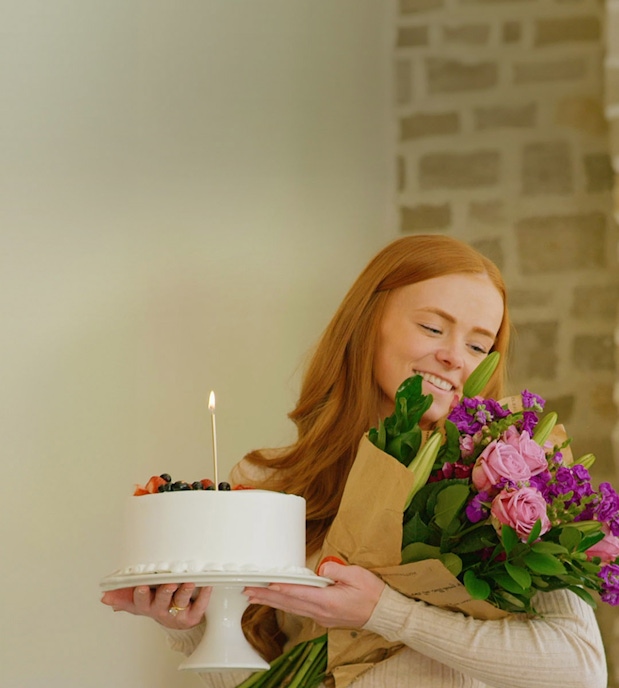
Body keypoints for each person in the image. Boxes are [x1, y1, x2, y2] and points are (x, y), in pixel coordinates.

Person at [101, 234, 608, 687]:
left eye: (480, 344)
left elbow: (580, 668)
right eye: (433, 328)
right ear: (368, 324)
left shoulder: (512, 486)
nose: (456, 356)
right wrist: (190, 631)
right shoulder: (271, 485)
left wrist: (383, 613)